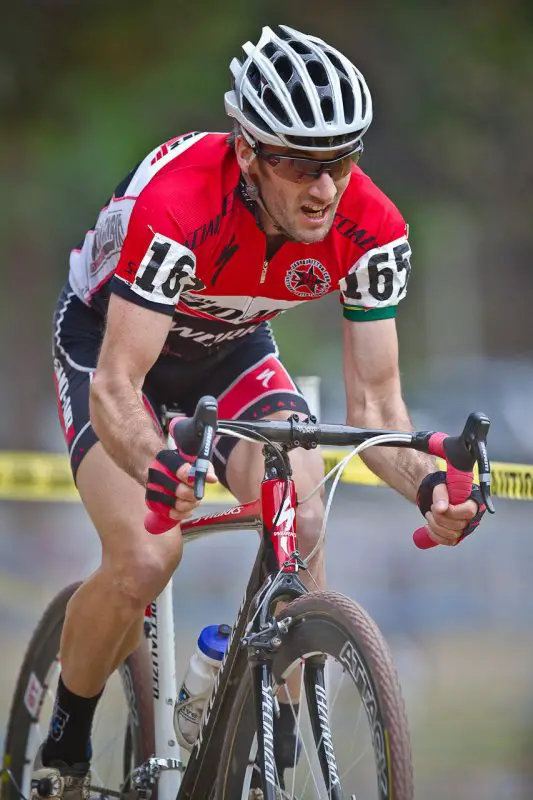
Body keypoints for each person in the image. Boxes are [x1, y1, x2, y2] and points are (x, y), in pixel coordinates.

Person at [34, 23, 486, 800]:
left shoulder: (370, 229)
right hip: (112, 352)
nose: (324, 188)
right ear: (247, 153)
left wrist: (428, 486)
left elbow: (375, 405)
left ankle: (256, 714)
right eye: (301, 164)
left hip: (232, 351)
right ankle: (64, 741)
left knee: (301, 519)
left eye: (342, 161)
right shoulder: (176, 201)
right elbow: (117, 385)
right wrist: (158, 462)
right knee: (147, 557)